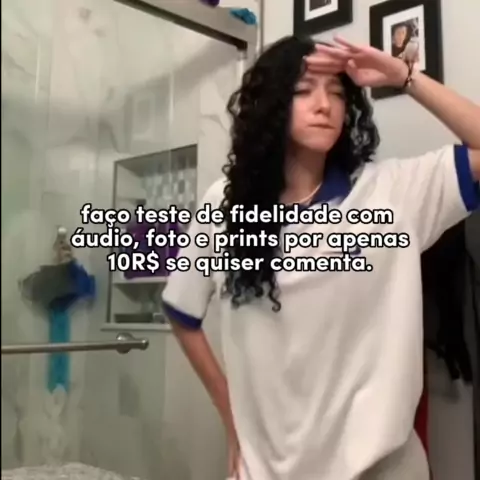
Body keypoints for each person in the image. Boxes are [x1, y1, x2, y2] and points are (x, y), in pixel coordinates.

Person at [161, 35, 480, 480]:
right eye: (303, 90)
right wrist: (229, 413)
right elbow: (181, 311)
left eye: (336, 92)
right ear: (272, 104)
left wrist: (404, 76)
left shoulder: (392, 193)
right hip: (264, 470)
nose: (324, 105)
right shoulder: (224, 206)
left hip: (383, 469)